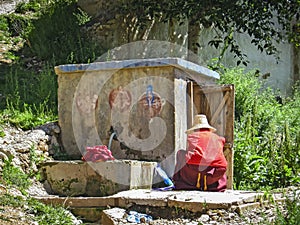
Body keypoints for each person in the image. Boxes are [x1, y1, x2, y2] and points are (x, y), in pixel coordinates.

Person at [173, 114, 227, 192]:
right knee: (220, 159)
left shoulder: (193, 136)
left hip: (194, 170)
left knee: (180, 153)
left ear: (195, 129)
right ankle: (215, 186)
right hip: (215, 173)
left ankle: (182, 183)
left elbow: (190, 156)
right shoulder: (218, 138)